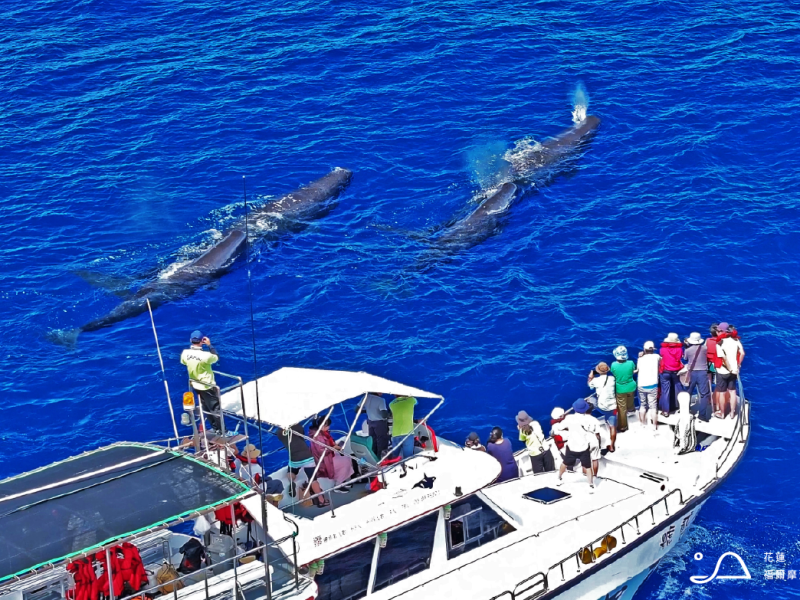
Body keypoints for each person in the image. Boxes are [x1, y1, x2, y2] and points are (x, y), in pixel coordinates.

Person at [276, 424, 328, 508]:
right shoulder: (297, 426)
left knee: (291, 471)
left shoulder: (278, 432)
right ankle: (321, 500)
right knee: (313, 480)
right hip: (306, 457)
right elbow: (302, 436)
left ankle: (291, 480)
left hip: (294, 458)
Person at [180, 331, 222, 432]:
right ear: (202, 341)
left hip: (195, 384)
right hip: (207, 385)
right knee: (215, 409)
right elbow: (216, 357)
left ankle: (215, 428)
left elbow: (183, 362)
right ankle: (223, 431)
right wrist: (209, 345)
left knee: (206, 407)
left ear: (191, 340)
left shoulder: (185, 353)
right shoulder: (206, 355)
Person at [555, 399, 596, 492]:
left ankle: (559, 478)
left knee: (565, 463)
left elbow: (559, 427)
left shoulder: (569, 418)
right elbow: (592, 430)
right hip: (583, 447)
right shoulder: (587, 419)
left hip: (572, 447)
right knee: (588, 467)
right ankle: (590, 484)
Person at [308, 417, 354, 492]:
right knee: (345, 462)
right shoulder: (318, 437)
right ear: (323, 426)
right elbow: (322, 451)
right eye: (327, 426)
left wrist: (333, 445)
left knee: (347, 458)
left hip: (327, 457)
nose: (329, 427)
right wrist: (334, 447)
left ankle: (342, 479)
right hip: (323, 461)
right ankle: (338, 486)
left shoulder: (321, 433)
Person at [716, 322, 745, 419]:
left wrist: (729, 368)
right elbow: (742, 353)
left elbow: (723, 358)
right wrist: (738, 365)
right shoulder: (736, 340)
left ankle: (722, 414)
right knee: (732, 392)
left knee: (722, 393)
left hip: (723, 371)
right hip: (734, 371)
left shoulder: (720, 343)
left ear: (721, 331)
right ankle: (732, 413)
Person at [588, 362, 618, 451]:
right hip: (613, 407)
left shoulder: (595, 381)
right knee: (613, 427)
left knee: (590, 399)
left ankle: (589, 418)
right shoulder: (612, 378)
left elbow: (590, 387)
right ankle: (612, 446)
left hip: (601, 407)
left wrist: (590, 377)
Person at [683, 332, 711, 421]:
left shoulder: (688, 350)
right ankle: (702, 415)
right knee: (704, 394)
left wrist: (686, 347)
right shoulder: (705, 348)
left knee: (688, 392)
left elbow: (685, 359)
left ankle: (686, 411)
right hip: (703, 372)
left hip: (691, 373)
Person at [610, 346, 636, 431]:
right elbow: (632, 371)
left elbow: (614, 374)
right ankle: (631, 410)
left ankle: (623, 426)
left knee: (622, 408)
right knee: (630, 399)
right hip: (631, 387)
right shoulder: (631, 363)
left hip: (620, 389)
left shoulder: (613, 364)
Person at [636, 341, 661, 430]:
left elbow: (637, 369)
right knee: (653, 406)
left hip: (641, 385)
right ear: (653, 349)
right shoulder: (656, 357)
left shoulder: (640, 359)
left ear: (644, 349)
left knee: (643, 405)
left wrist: (640, 356)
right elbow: (661, 360)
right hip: (653, 385)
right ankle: (654, 426)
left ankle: (642, 424)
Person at [659, 333, 684, 416]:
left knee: (665, 391)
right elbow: (679, 358)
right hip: (676, 371)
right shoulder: (680, 349)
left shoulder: (663, 349)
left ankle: (665, 411)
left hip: (665, 371)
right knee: (678, 388)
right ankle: (681, 407)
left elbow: (662, 356)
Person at [363, 393, 390, 458]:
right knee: (382, 441)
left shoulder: (365, 398)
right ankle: (381, 459)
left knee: (373, 440)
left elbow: (356, 409)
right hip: (379, 423)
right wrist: (388, 414)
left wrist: (369, 411)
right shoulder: (381, 400)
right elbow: (384, 415)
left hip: (370, 422)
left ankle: (373, 457)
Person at [706, 323, 723, 416]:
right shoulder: (721, 342)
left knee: (709, 381)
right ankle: (715, 400)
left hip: (710, 364)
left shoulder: (707, 340)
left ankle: (709, 399)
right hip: (717, 364)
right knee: (718, 383)